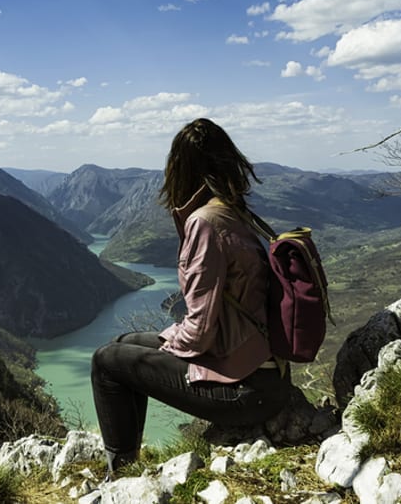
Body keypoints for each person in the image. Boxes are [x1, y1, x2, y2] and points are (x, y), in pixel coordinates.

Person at [90, 118, 291, 476]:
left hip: (245, 391)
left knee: (107, 361)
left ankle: (120, 474)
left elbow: (198, 332)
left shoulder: (205, 223)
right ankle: (127, 462)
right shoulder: (233, 211)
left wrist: (166, 350)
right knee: (124, 343)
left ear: (180, 168)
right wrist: (163, 344)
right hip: (264, 374)